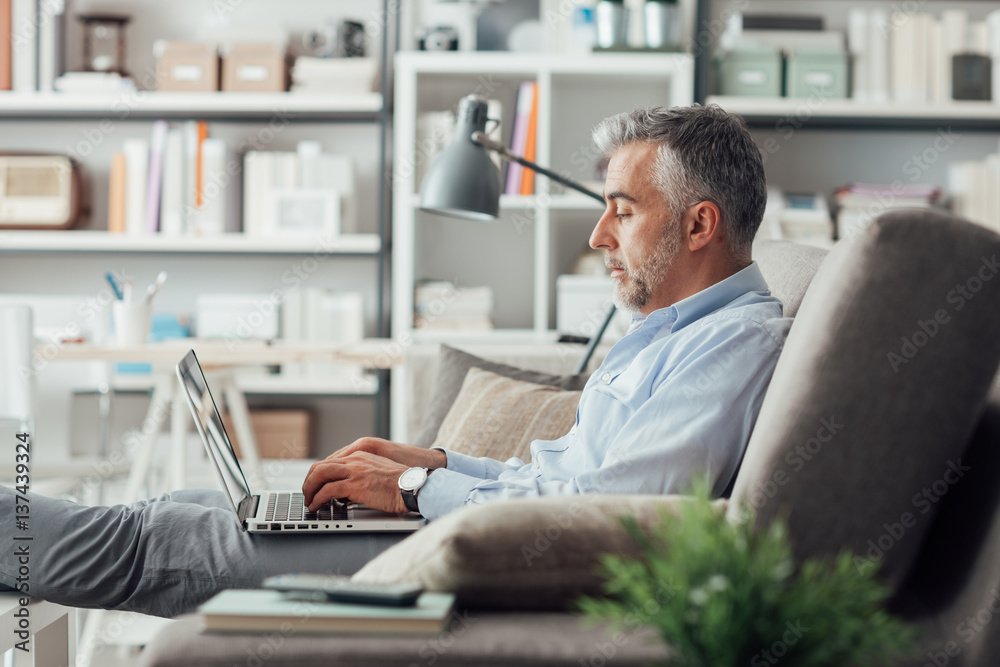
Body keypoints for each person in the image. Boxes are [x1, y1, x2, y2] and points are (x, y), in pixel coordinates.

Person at [0, 104, 787, 618]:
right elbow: (566, 481)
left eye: (622, 208)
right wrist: (439, 459)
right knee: (175, 505)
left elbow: (607, 509)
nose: (598, 236)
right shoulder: (679, 327)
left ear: (698, 225)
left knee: (157, 546)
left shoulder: (735, 342)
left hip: (496, 565)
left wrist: (414, 489)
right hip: (492, 528)